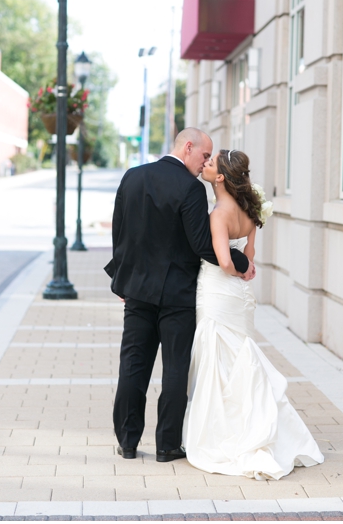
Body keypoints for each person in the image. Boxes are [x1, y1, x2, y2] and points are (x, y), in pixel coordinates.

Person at [106, 128, 254, 462]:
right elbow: (203, 244)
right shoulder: (190, 188)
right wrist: (241, 261)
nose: (205, 164)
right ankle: (167, 445)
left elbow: (120, 231)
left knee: (132, 365)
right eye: (204, 155)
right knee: (175, 369)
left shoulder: (133, 176)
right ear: (188, 147)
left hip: (138, 293)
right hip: (178, 295)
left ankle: (127, 442)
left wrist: (121, 280)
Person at [182, 149, 324, 478]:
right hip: (241, 295)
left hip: (219, 289)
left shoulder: (219, 213)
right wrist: (245, 272)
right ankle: (252, 422)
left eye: (210, 162)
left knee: (217, 357)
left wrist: (235, 270)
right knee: (239, 353)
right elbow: (249, 254)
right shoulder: (249, 208)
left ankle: (223, 432)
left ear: (220, 177)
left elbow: (226, 261)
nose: (204, 163)